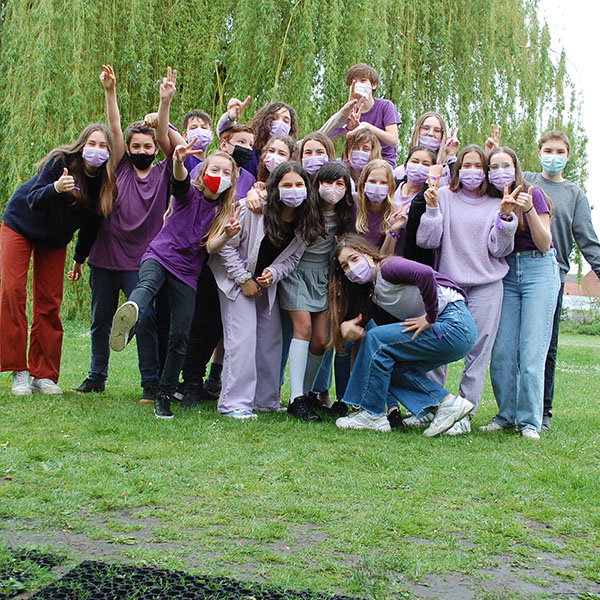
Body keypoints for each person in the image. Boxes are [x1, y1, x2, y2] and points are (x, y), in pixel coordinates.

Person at [109, 68, 241, 420]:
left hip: (187, 273)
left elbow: (210, 248)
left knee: (181, 334)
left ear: (233, 180)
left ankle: (166, 394)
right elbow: (180, 179)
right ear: (203, 170)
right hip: (159, 255)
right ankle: (131, 315)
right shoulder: (188, 193)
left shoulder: (223, 212)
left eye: (227, 173)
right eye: (214, 169)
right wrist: (180, 162)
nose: (219, 176)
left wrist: (228, 234)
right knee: (146, 288)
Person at [75, 65, 177, 400]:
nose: (143, 151)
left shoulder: (164, 173)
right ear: (129, 148)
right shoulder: (118, 168)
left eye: (148, 147)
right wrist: (110, 91)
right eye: (137, 146)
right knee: (100, 320)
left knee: (144, 319)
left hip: (141, 263)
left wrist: (164, 105)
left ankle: (150, 383)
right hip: (105, 258)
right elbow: (115, 130)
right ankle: (96, 376)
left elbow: (173, 144)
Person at [1, 123, 117, 395]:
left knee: (49, 302)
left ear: (110, 152)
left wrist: (79, 259)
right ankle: (19, 370)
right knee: (12, 291)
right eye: (92, 143)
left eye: (103, 146)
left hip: (54, 239)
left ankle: (44, 375)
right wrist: (56, 187)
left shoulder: (105, 185)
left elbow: (91, 226)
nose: (97, 150)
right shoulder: (61, 162)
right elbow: (33, 199)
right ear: (82, 144)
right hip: (20, 224)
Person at [416, 144, 519, 434]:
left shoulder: (496, 202)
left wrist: (505, 219)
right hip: (449, 285)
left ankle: (464, 415)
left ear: (485, 171)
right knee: (438, 345)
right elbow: (428, 240)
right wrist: (433, 208)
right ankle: (434, 406)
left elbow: (499, 249)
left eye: (478, 166)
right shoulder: (444, 196)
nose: (472, 171)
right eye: (466, 165)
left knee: (478, 351)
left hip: (487, 284)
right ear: (457, 169)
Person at [329, 235, 476, 435]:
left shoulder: (388, 267)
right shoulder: (373, 294)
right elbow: (379, 339)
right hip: (449, 330)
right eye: (345, 266)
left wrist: (430, 317)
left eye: (354, 259)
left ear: (369, 256)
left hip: (454, 324)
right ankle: (446, 403)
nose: (351, 268)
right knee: (388, 363)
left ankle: (373, 414)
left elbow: (424, 273)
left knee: (375, 338)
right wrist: (346, 328)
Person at [208, 162, 322, 419]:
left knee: (271, 339)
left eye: (299, 185)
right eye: (287, 185)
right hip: (235, 280)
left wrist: (275, 274)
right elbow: (226, 246)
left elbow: (292, 258)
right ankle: (234, 403)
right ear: (275, 188)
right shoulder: (254, 209)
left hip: (265, 284)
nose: (294, 190)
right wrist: (243, 279)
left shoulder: (306, 220)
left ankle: (266, 400)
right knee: (243, 338)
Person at [523, 130, 600, 430]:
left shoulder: (575, 194)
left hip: (553, 273)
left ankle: (542, 411)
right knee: (517, 346)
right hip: (520, 270)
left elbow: (588, 241)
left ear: (568, 156)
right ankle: (516, 407)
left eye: (559, 152)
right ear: (539, 151)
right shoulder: (527, 181)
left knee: (546, 346)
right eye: (548, 150)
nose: (553, 156)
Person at [482, 147, 560, 440]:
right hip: (507, 272)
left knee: (531, 353)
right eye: (494, 166)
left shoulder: (533, 194)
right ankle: (506, 414)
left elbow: (544, 243)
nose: (500, 170)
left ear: (516, 167)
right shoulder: (491, 199)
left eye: (506, 165)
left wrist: (527, 210)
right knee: (501, 352)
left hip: (539, 269)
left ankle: (530, 421)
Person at [279, 162, 354, 421]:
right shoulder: (305, 208)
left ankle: (307, 394)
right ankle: (295, 397)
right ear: (316, 184)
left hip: (324, 277)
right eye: (327, 182)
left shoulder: (347, 212)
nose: (332, 189)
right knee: (303, 329)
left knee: (322, 339)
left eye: (339, 184)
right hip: (297, 272)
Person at [321, 63, 400, 167]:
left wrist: (366, 126)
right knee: (329, 168)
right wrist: (348, 127)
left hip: (383, 161)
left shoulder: (385, 106)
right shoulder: (349, 110)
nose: (358, 84)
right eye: (354, 82)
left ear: (374, 84)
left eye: (363, 80)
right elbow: (326, 137)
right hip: (354, 160)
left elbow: (393, 140)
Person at [354, 159, 404, 254]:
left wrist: (393, 230)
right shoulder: (352, 203)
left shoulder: (395, 213)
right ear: (364, 183)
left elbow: (388, 255)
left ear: (391, 186)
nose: (377, 186)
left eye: (383, 183)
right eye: (372, 181)